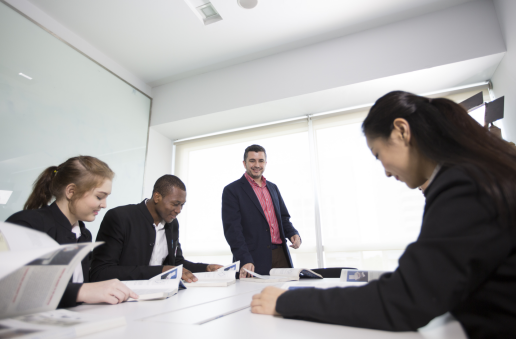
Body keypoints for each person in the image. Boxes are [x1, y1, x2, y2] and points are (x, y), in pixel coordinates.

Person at [250, 91, 516, 338]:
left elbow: (405, 299)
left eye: (378, 155)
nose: (386, 172)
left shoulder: (465, 184)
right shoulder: (479, 172)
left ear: (401, 131)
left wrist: (286, 301)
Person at [6, 156, 138, 307]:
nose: (104, 205)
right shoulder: (27, 224)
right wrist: (82, 291)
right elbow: (16, 288)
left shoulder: (83, 234)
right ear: (71, 191)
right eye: (99, 197)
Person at [90, 174, 223, 283]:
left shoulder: (172, 225)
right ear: (157, 197)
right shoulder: (120, 217)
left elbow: (176, 262)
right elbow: (101, 272)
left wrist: (205, 268)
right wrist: (161, 271)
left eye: (182, 205)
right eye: (175, 204)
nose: (179, 210)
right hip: (122, 300)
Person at [222, 144, 302, 278]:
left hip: (281, 255)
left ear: (265, 163)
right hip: (252, 258)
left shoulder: (273, 187)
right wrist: (244, 258)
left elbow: (283, 218)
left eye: (260, 161)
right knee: (252, 297)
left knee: (283, 296)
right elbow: (233, 230)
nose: (256, 165)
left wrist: (293, 233)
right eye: (252, 160)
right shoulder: (232, 190)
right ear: (244, 163)